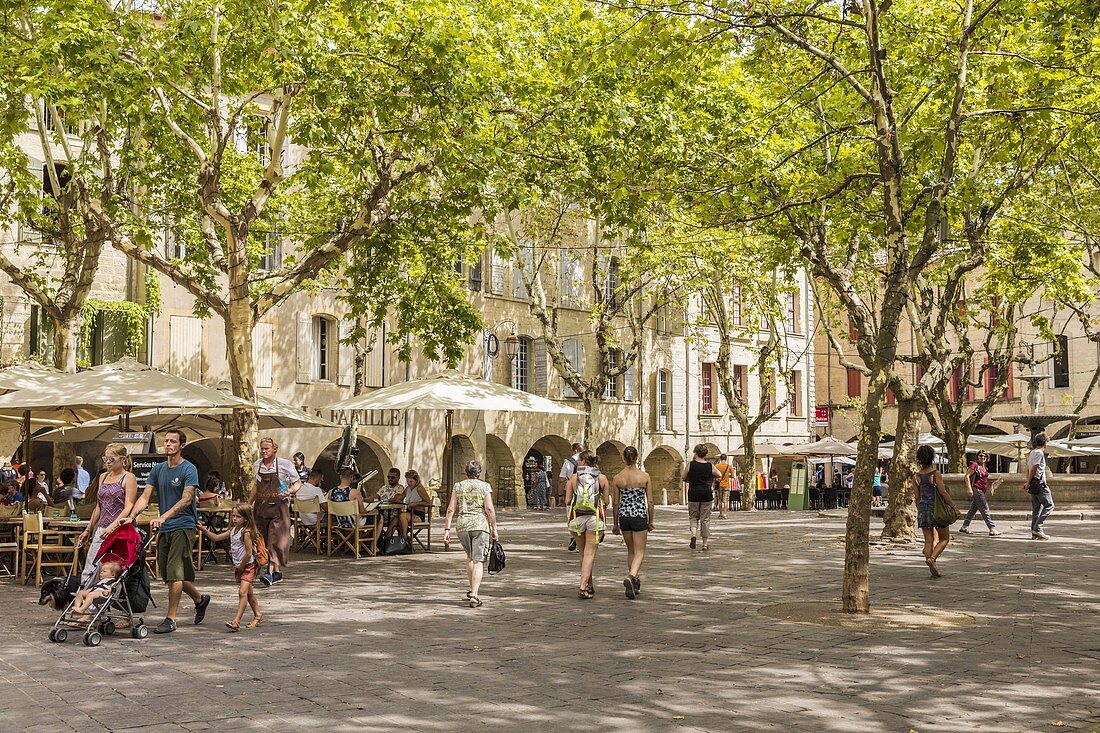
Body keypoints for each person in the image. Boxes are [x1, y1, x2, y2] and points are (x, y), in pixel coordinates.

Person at [126, 428, 210, 634]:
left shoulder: (189, 469)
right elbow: (145, 496)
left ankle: (171, 619)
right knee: (169, 573)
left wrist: (164, 516)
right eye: (167, 441)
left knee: (174, 572)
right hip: (165, 527)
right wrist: (131, 516)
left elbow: (187, 498)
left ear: (182, 445)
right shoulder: (158, 469)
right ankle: (200, 599)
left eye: (173, 441)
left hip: (184, 525)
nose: (168, 444)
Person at [76, 444, 139, 585]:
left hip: (120, 530)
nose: (108, 462)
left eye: (111, 458)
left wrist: (113, 525)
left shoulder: (129, 477)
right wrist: (88, 529)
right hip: (101, 528)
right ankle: (84, 600)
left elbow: (129, 505)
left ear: (122, 459)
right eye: (105, 458)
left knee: (112, 568)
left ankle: (102, 598)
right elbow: (99, 505)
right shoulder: (103, 477)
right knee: (91, 566)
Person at [442, 459, 498, 608]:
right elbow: (489, 509)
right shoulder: (484, 486)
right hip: (480, 525)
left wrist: (447, 529)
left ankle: (472, 587)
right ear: (479, 472)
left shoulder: (458, 486)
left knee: (470, 557)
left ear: (466, 472)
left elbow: (450, 509)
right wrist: (494, 528)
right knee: (478, 560)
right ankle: (474, 594)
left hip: (462, 525)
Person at [199, 503, 264, 631]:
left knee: (242, 592)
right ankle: (258, 615)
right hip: (239, 566)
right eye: (233, 516)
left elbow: (249, 553)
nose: (234, 519)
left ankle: (236, 621)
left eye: (238, 516)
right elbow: (217, 538)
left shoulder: (246, 533)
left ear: (246, 518)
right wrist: (204, 530)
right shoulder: (233, 531)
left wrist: (241, 566)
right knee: (249, 593)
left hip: (248, 565)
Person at [250, 437, 301, 586]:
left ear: (274, 449)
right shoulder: (257, 465)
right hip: (261, 507)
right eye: (262, 448)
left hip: (279, 507)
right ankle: (277, 573)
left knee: (274, 539)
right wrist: (248, 504)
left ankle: (269, 573)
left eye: (267, 448)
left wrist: (289, 491)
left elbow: (297, 483)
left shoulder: (285, 464)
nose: (264, 451)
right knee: (263, 540)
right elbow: (255, 486)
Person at [566, 450, 611, 599]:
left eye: (579, 460)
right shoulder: (602, 478)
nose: (578, 463)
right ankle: (583, 586)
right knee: (590, 554)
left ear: (584, 462)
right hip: (595, 518)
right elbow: (607, 501)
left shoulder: (573, 478)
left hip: (577, 519)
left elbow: (567, 501)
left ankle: (588, 585)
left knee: (583, 553)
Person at [612, 446, 654, 600]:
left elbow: (616, 503)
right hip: (639, 515)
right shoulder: (644, 477)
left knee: (631, 551)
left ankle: (635, 583)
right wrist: (651, 520)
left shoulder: (617, 478)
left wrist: (615, 524)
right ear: (637, 458)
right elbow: (649, 500)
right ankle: (632, 576)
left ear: (624, 458)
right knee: (640, 552)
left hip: (624, 515)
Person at [913, 443, 961, 578]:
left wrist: (920, 510)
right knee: (944, 538)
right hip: (937, 509)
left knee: (928, 540)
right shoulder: (935, 474)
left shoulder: (915, 477)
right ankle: (932, 559)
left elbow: (917, 497)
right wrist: (954, 507)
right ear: (932, 457)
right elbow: (943, 492)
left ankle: (931, 564)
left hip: (924, 509)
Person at [682, 444, 720, 551]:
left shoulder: (691, 465)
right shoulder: (709, 466)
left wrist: (691, 479)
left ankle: (693, 535)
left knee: (693, 517)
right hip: (706, 494)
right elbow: (719, 474)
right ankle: (704, 543)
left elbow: (683, 477)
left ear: (695, 453)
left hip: (693, 493)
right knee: (705, 519)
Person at [960, 450, 1002, 536]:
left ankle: (964, 526)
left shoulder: (984, 466)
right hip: (977, 489)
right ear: (977, 456)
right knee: (984, 508)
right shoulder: (975, 465)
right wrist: (969, 489)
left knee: (973, 509)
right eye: (981, 456)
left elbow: (984, 478)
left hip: (981, 490)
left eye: (985, 456)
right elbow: (967, 476)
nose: (983, 457)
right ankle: (992, 528)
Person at [1024, 432, 1055, 540]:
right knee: (1049, 505)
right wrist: (1028, 482)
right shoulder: (1039, 453)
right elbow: (1034, 468)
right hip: (1039, 483)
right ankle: (1037, 528)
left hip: (1033, 483)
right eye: (1047, 442)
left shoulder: (1032, 452)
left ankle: (1034, 532)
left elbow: (1028, 468)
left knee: (1037, 508)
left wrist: (1028, 481)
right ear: (1044, 442)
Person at [402, 470, 432, 534]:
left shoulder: (419, 488)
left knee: (402, 516)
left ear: (416, 481)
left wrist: (416, 504)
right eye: (407, 481)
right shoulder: (407, 488)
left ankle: (403, 538)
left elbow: (428, 502)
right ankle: (387, 537)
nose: (409, 483)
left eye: (411, 481)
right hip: (409, 512)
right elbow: (400, 498)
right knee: (395, 519)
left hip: (418, 514)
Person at [714, 454, 734, 519]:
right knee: (725, 500)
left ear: (720, 458)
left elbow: (714, 475)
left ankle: (720, 514)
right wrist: (728, 476)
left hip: (719, 484)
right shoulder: (729, 466)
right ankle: (725, 514)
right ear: (726, 459)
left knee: (720, 500)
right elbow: (733, 476)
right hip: (726, 485)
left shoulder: (716, 466)